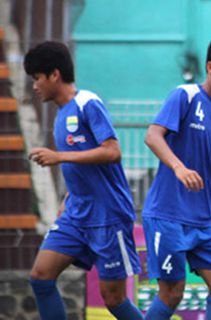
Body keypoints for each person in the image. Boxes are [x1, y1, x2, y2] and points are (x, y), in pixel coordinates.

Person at [24, 41, 142, 320]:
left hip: (108, 216)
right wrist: (68, 197)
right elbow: (81, 166)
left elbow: (112, 152)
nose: (34, 86)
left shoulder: (87, 103)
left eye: (37, 78)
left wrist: (60, 157)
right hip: (76, 214)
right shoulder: (60, 115)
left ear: (54, 75)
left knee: (113, 299)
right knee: (40, 277)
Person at [141, 33, 211, 320]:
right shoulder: (185, 95)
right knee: (172, 293)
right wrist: (178, 167)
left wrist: (210, 211)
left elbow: (206, 167)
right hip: (168, 216)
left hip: (203, 221)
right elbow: (153, 136)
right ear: (210, 67)